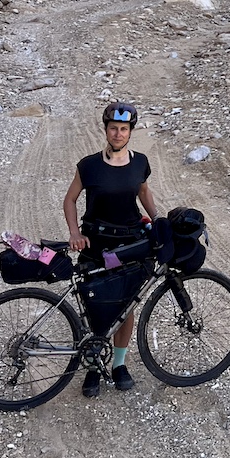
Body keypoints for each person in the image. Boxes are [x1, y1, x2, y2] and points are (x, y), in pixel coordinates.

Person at [63, 100, 160, 397]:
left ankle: (119, 364)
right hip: (96, 243)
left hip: (130, 244)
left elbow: (144, 192)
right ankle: (93, 365)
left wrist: (158, 221)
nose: (118, 134)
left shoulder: (140, 163)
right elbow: (70, 200)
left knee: (126, 304)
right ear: (105, 130)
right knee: (97, 305)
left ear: (131, 132)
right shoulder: (88, 166)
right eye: (113, 128)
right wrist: (75, 233)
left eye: (124, 129)